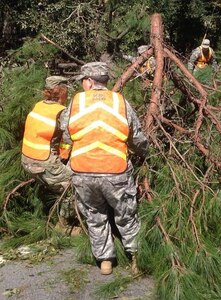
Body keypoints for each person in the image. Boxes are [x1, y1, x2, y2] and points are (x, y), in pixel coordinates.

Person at [60, 62, 148, 275]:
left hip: (83, 172)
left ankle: (105, 261)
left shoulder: (75, 102)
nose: (82, 84)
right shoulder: (120, 102)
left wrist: (64, 158)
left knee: (94, 215)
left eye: (83, 80)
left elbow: (66, 135)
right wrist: (145, 154)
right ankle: (136, 257)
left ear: (90, 81)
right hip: (115, 172)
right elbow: (136, 136)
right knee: (126, 215)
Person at [21, 76, 76, 232]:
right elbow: (68, 138)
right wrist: (65, 157)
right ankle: (64, 226)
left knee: (53, 184)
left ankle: (48, 213)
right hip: (43, 162)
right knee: (71, 187)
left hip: (26, 160)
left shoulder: (38, 105)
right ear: (62, 91)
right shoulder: (61, 112)